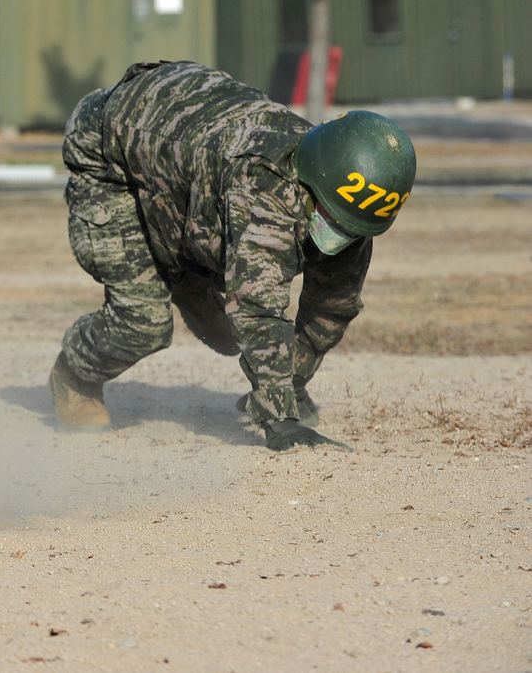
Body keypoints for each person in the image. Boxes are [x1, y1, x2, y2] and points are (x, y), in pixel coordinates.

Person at [50, 60, 417, 451]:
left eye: (349, 229)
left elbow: (333, 304)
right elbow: (258, 307)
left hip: (189, 177)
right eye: (329, 219)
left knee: (225, 333)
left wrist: (291, 381)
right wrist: (281, 417)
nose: (337, 236)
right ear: (309, 183)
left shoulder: (353, 198)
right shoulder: (263, 182)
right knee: (143, 322)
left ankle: (182, 271)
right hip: (110, 150)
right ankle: (75, 375)